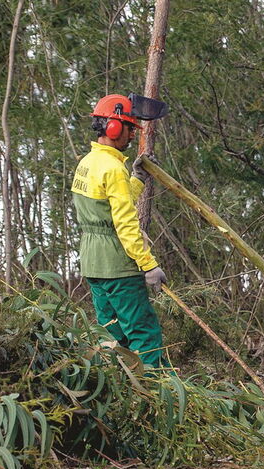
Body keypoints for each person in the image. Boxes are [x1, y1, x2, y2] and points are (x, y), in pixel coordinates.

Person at [71, 93, 170, 370]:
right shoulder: (113, 168)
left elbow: (110, 206)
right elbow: (125, 223)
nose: (130, 136)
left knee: (112, 336)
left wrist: (137, 179)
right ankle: (158, 394)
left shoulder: (87, 163)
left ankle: (121, 391)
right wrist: (148, 265)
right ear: (114, 127)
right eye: (129, 128)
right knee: (143, 333)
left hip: (93, 264)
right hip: (118, 266)